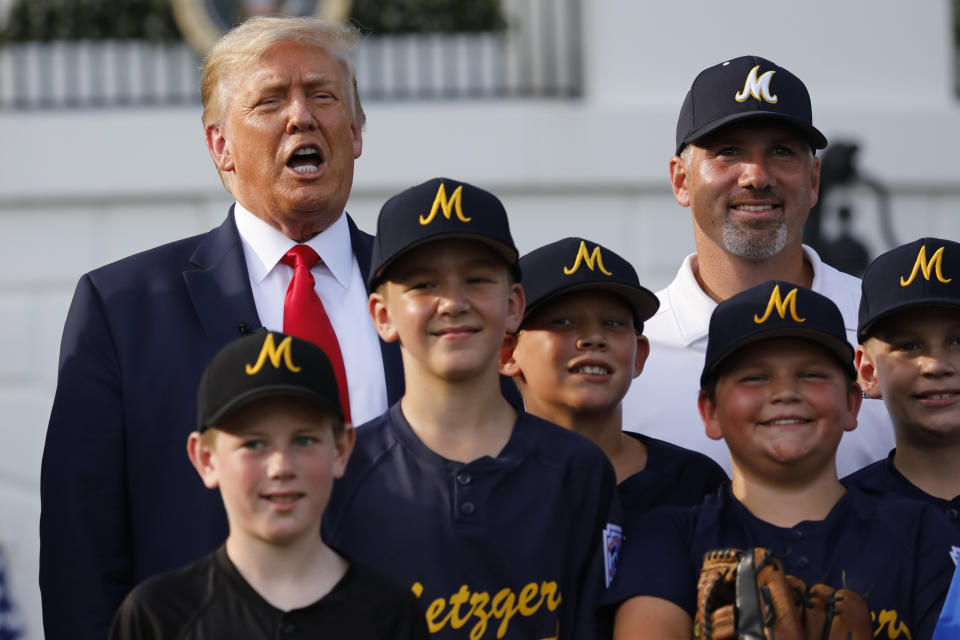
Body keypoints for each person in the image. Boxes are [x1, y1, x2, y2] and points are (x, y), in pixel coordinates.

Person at [40, 16, 403, 639]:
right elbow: (81, 550)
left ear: (358, 130)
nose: (301, 117)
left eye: (323, 95)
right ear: (220, 146)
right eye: (269, 101)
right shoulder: (123, 309)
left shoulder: (427, 299)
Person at [323, 178, 620, 639]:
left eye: (477, 279)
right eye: (424, 285)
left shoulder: (578, 471)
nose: (453, 303)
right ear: (382, 315)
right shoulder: (341, 474)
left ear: (514, 303)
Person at [605, 281, 959, 640]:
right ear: (710, 411)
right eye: (755, 377)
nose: (785, 393)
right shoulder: (669, 536)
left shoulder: (920, 531)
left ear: (852, 403)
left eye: (811, 374)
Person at [620, 55, 893, 475]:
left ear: (815, 179)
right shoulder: (628, 358)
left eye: (781, 151)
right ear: (681, 180)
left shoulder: (890, 337)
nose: (756, 176)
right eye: (728, 152)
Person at [109, 330, 427, 639]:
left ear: (341, 449)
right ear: (206, 458)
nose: (281, 468)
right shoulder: (158, 617)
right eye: (253, 444)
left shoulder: (390, 616)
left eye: (304, 440)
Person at [501, 236, 726, 516]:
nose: (594, 338)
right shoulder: (480, 484)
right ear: (507, 353)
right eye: (563, 322)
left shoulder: (695, 484)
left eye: (613, 323)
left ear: (639, 355)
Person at [845, 237, 960, 532]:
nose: (935, 365)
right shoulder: (836, 520)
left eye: (958, 341)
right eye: (909, 345)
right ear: (868, 371)